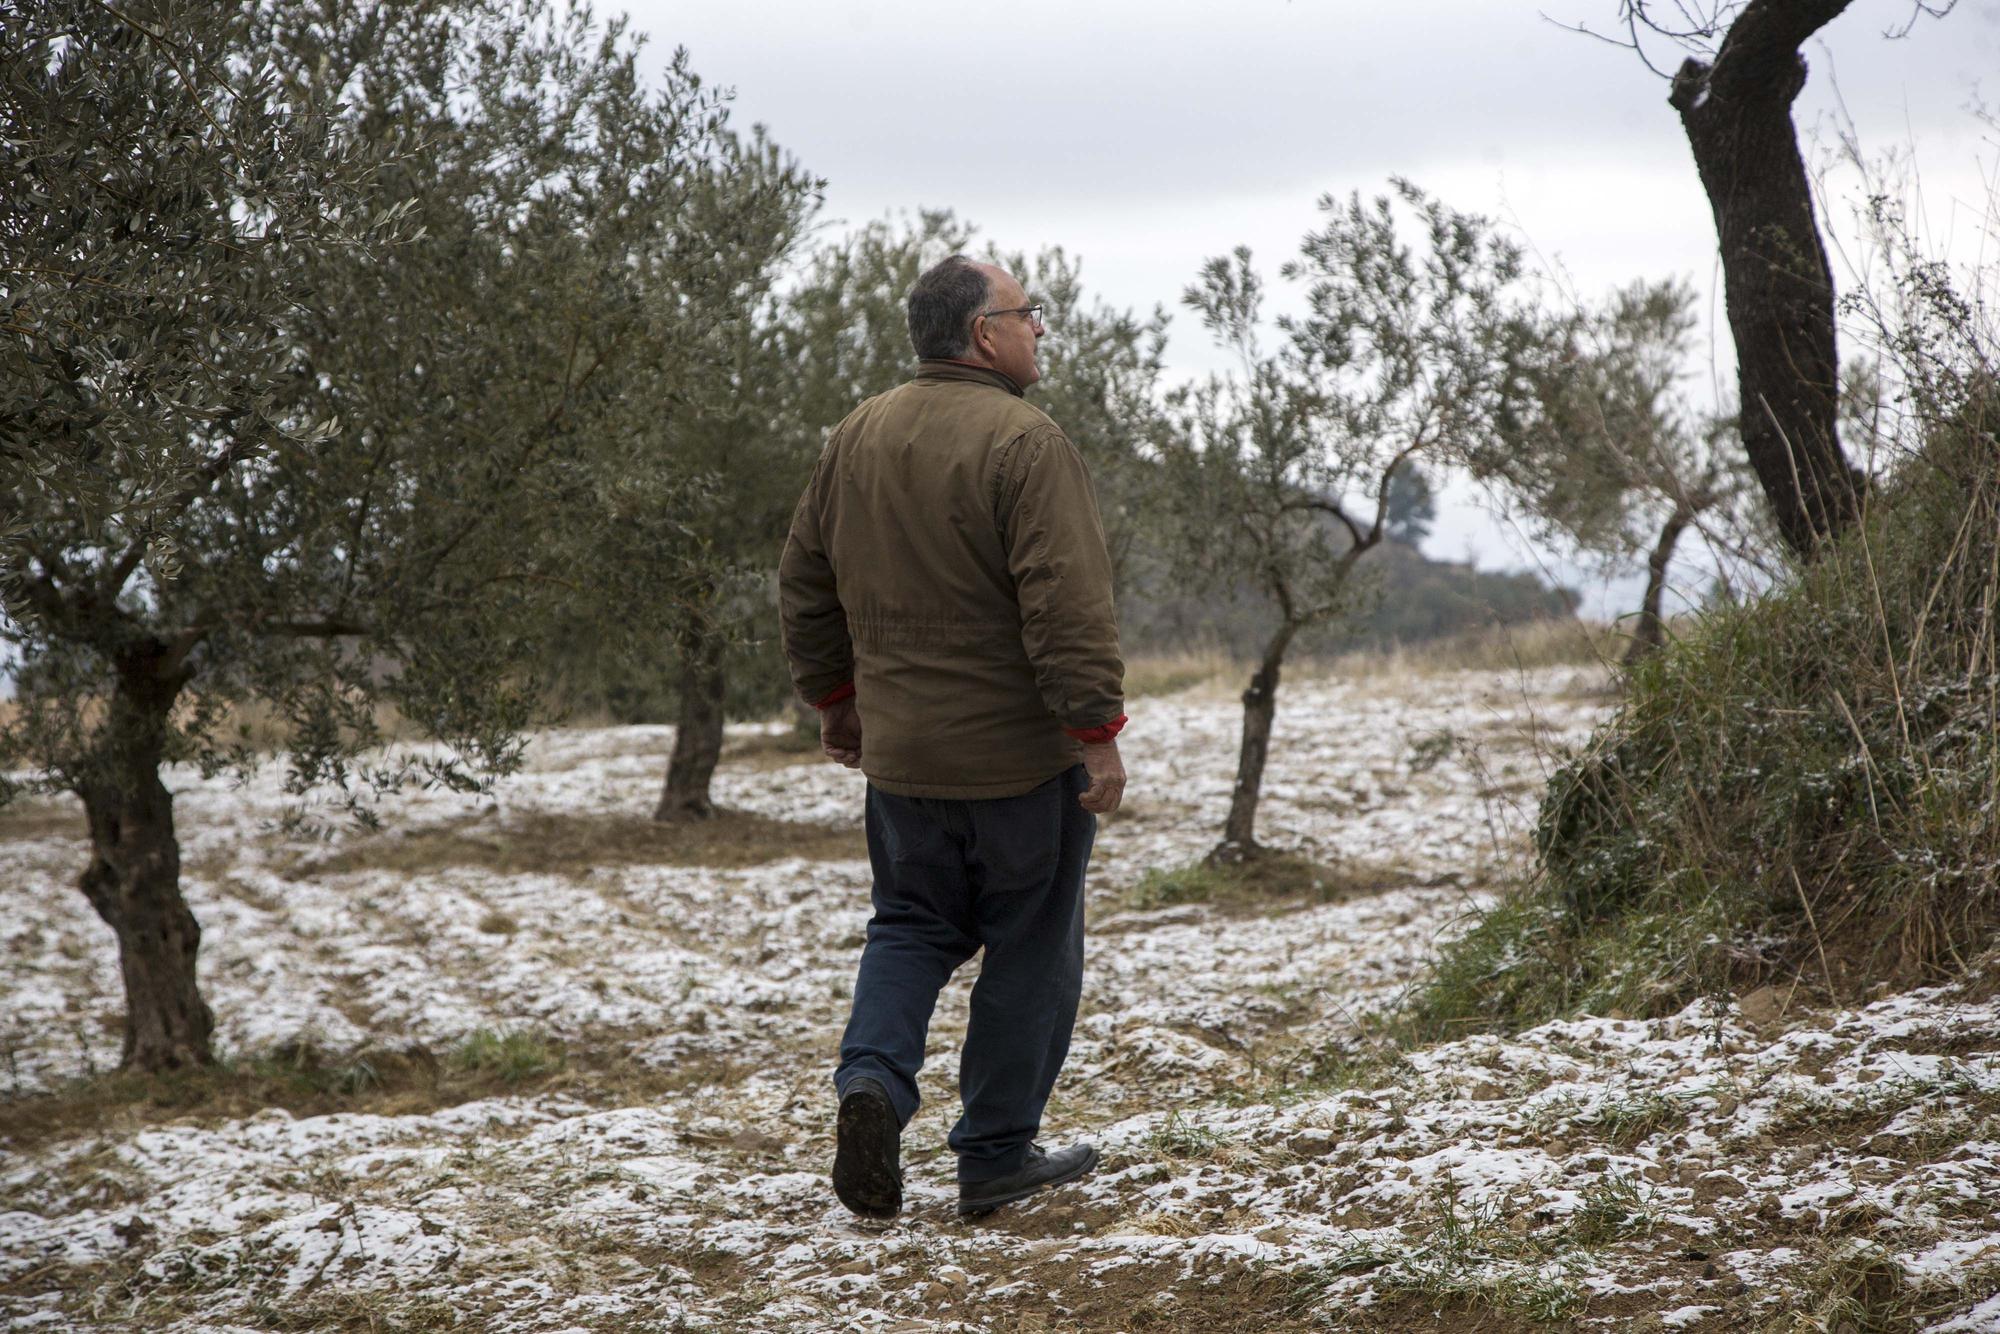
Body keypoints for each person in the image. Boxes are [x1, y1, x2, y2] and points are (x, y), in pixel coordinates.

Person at [778, 255, 1128, 1221]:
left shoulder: (857, 433)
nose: (1040, 329)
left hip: (901, 766)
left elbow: (804, 579)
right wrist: (1096, 731)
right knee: (1031, 948)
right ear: (984, 333)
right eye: (1030, 314)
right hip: (1019, 769)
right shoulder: (1025, 442)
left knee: (909, 927)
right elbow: (1068, 606)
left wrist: (836, 700)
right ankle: (995, 1154)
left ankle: (875, 1086)